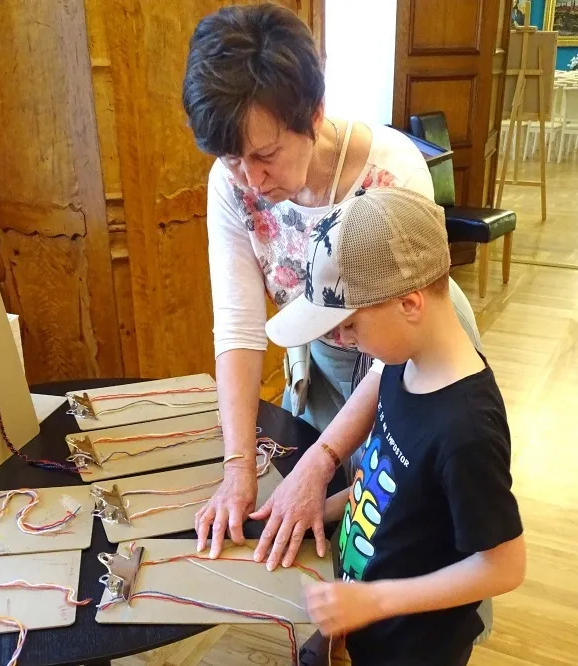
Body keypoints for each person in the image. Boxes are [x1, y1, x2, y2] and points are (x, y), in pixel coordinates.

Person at [182, 1, 481, 565]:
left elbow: (402, 349)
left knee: (404, 514)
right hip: (323, 359)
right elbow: (240, 328)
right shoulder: (234, 181)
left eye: (266, 155)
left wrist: (323, 459)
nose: (251, 179)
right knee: (326, 524)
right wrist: (238, 469)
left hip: (407, 353)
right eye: (230, 159)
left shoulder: (392, 169)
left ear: (315, 113)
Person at [265, 187, 526, 666]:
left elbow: (504, 566)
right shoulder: (400, 367)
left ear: (409, 304)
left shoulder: (466, 431)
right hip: (369, 621)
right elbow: (396, 488)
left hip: (415, 647)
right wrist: (323, 509)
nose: (342, 339)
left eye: (350, 325)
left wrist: (376, 600)